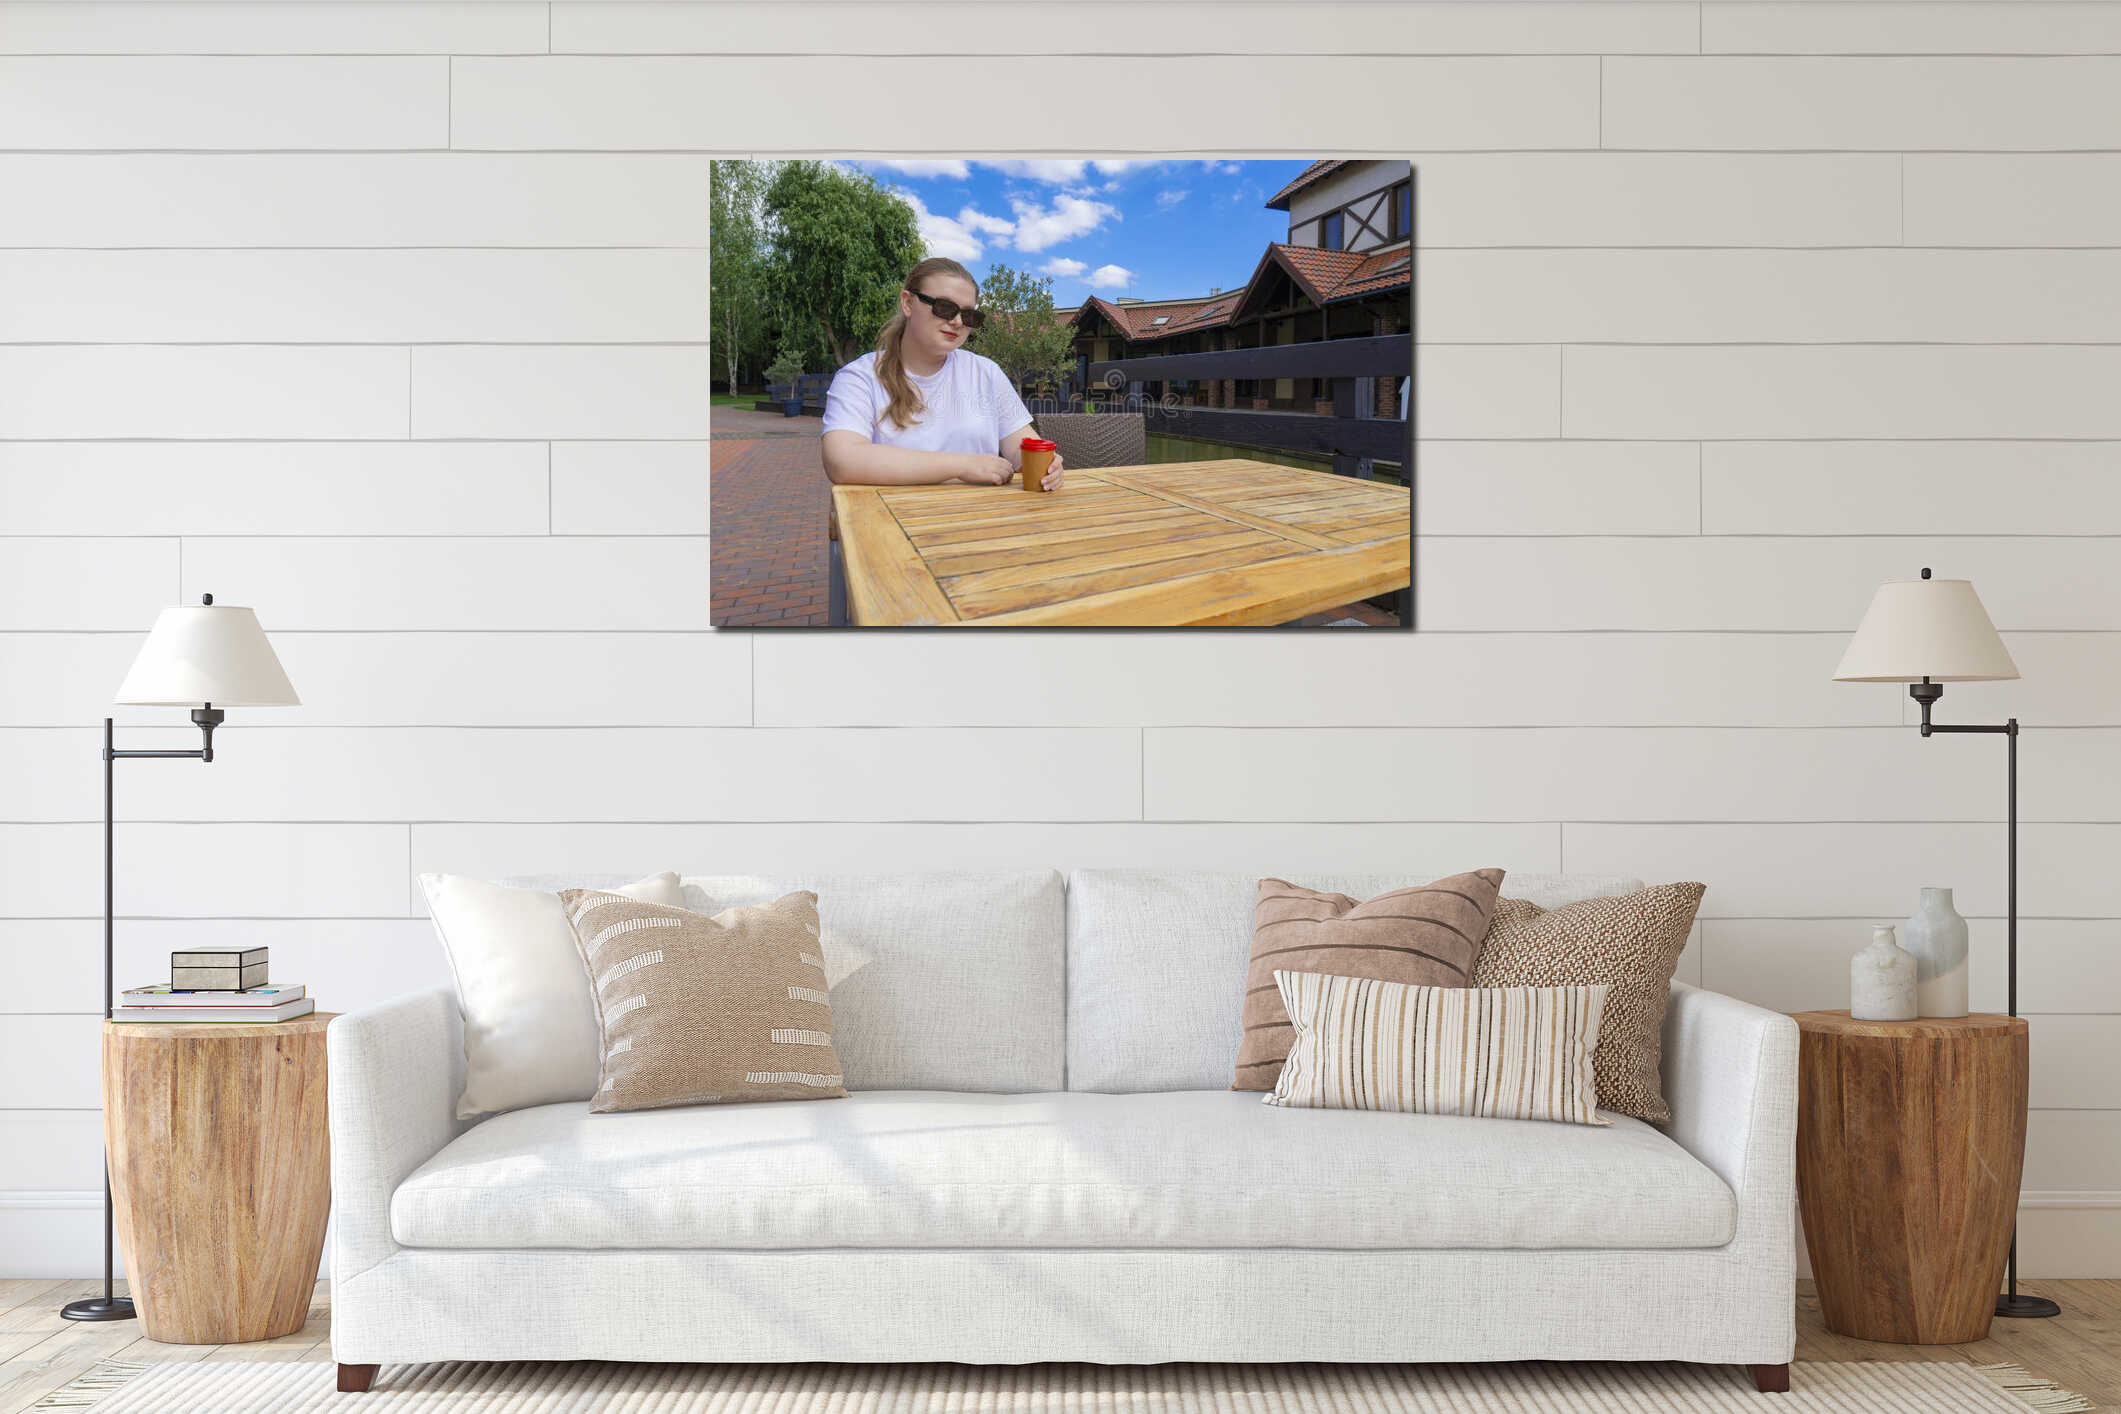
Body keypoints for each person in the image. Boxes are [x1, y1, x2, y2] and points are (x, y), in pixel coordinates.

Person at [819, 256, 1064, 491]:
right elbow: (843, 460)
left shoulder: (985, 372)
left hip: (980, 518)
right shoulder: (859, 378)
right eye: (945, 308)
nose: (958, 321)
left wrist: (1046, 463)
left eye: (969, 315)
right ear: (908, 303)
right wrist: (961, 465)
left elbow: (1019, 445)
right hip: (892, 520)